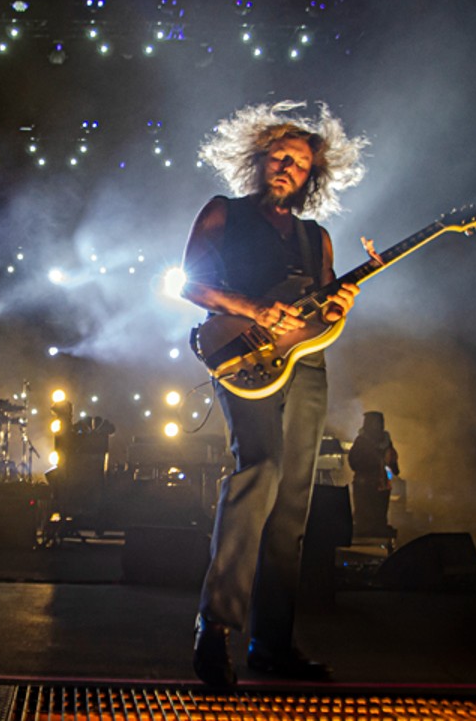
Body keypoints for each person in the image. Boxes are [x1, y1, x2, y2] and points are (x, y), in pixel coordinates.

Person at [181, 101, 368, 687]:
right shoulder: (223, 214)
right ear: (258, 159)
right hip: (243, 357)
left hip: (307, 366)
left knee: (293, 508)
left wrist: (340, 305)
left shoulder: (318, 237)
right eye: (279, 155)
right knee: (259, 470)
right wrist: (252, 307)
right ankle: (214, 629)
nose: (287, 165)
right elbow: (190, 282)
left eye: (299, 161)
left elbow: (323, 316)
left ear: (313, 176)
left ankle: (272, 645)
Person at [348, 411, 400, 537]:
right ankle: (364, 530)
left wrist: (394, 467)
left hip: (381, 483)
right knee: (364, 512)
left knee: (380, 512)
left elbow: (392, 459)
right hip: (365, 484)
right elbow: (353, 462)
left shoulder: (386, 441)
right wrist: (370, 464)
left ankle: (378, 528)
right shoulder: (361, 441)